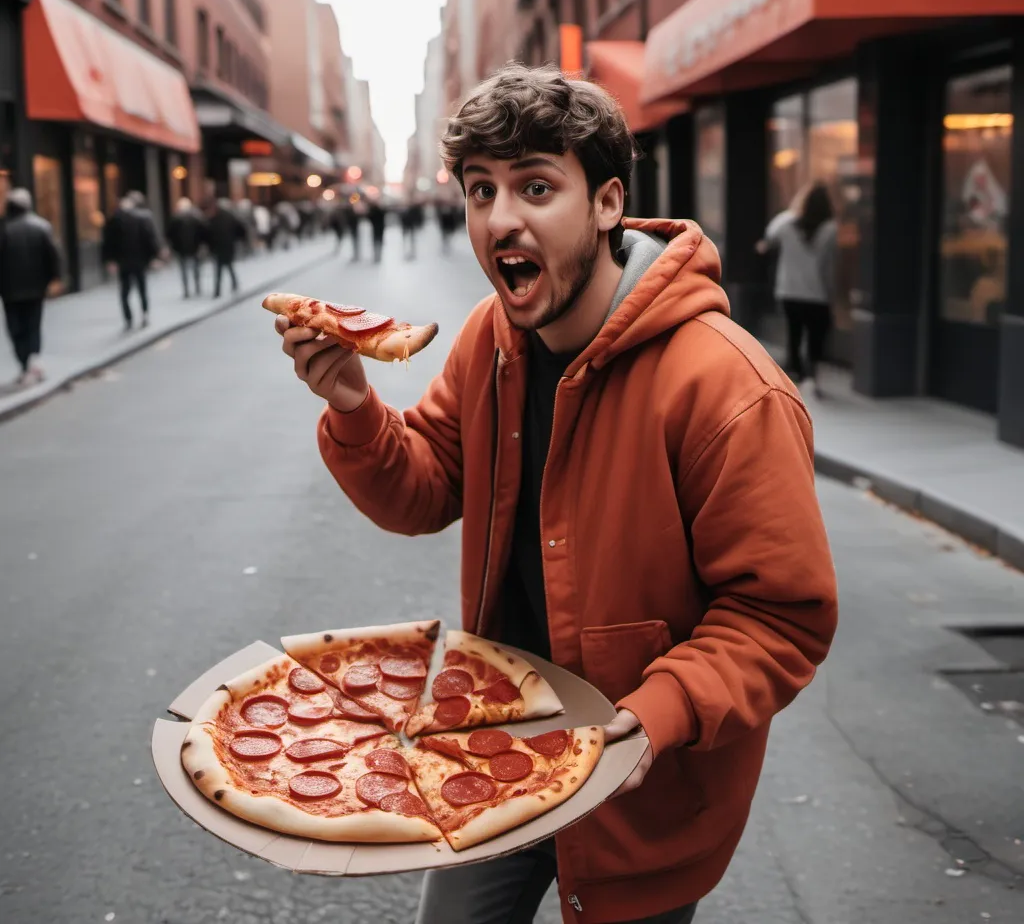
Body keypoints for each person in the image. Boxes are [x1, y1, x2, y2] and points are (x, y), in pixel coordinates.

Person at [275, 64, 837, 924]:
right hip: (491, 737)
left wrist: (662, 710)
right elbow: (422, 490)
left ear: (608, 202)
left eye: (537, 187)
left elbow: (780, 615)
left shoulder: (726, 386)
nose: (501, 219)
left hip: (638, 782)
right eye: (481, 190)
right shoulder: (487, 338)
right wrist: (355, 408)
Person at [756, 181, 837, 398]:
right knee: (815, 337)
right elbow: (828, 266)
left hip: (789, 290)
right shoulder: (830, 229)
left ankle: (795, 378)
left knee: (794, 334)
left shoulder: (786, 221)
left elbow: (766, 241)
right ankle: (811, 378)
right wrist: (831, 292)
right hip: (816, 292)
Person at [0, 188, 62, 386]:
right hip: (36, 288)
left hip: (9, 289)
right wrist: (55, 279)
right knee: (33, 325)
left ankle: (25, 363)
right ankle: (32, 361)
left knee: (16, 328)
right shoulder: (41, 227)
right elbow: (53, 255)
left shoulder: (3, 229)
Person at [102, 191, 159, 330]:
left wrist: (110, 260)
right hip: (138, 261)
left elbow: (108, 242)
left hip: (124, 262)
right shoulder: (142, 219)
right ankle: (144, 314)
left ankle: (128, 318)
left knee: (125, 291)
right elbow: (149, 240)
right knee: (141, 289)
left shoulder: (115, 219)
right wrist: (153, 257)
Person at [166, 196, 208, 298]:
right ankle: (197, 287)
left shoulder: (176, 219)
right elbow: (203, 232)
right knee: (195, 268)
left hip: (182, 249)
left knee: (184, 270)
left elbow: (169, 234)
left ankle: (187, 290)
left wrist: (173, 246)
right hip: (194, 247)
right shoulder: (196, 218)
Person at [207, 198, 246, 298]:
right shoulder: (230, 217)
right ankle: (233, 284)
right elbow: (240, 229)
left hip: (218, 247)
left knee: (220, 269)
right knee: (229, 266)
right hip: (228, 245)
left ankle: (218, 290)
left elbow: (208, 233)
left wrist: (210, 246)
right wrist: (237, 239)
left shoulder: (213, 218)